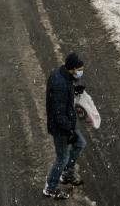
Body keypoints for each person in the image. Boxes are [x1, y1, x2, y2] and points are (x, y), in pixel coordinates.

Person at [43, 52, 87, 199]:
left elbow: (61, 99)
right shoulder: (60, 83)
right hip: (61, 127)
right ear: (73, 68)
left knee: (80, 144)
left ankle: (67, 174)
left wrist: (74, 91)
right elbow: (58, 113)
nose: (81, 71)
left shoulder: (64, 75)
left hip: (67, 123)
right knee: (62, 156)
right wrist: (70, 131)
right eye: (80, 69)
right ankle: (50, 187)